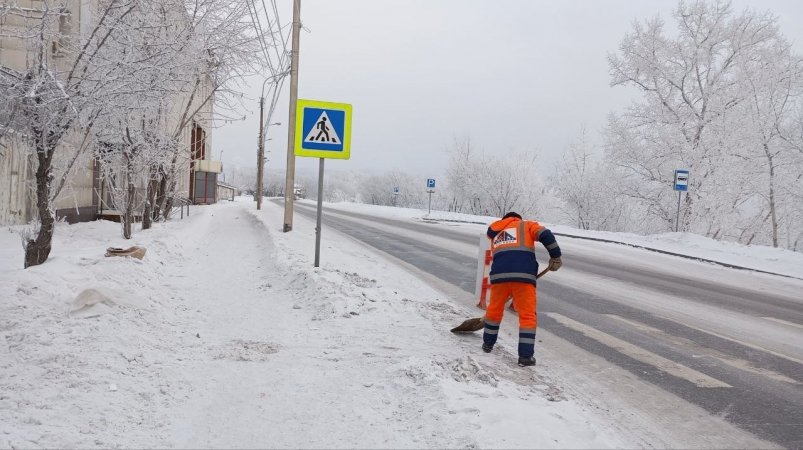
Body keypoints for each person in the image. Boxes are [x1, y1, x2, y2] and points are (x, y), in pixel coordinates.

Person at [482, 211, 562, 366]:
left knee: (494, 310)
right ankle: (525, 357)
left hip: (499, 277)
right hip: (523, 277)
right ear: (518, 218)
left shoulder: (496, 232)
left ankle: (487, 344)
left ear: (504, 220)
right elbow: (546, 234)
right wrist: (555, 256)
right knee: (527, 315)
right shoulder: (527, 225)